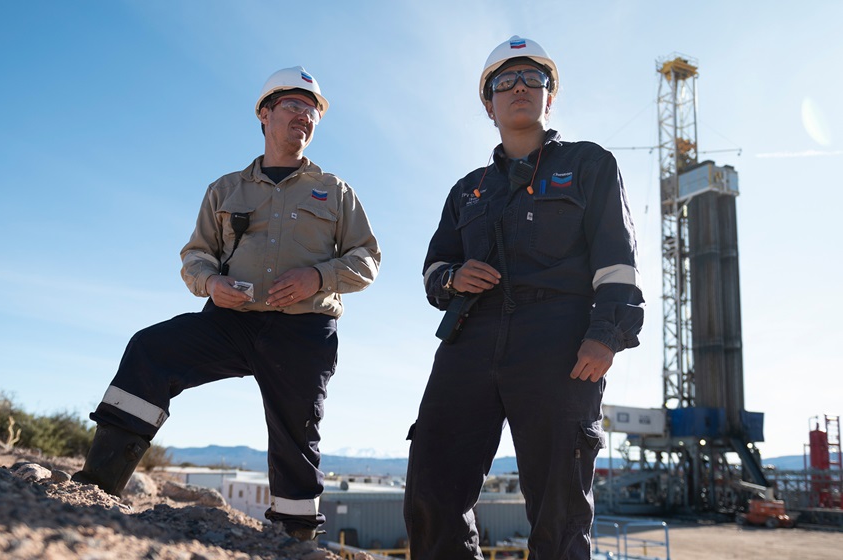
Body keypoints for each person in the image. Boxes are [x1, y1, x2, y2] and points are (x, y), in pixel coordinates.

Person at [73, 66, 381, 541]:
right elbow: (196, 256)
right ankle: (97, 487)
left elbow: (367, 259)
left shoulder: (336, 191)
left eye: (312, 109)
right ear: (264, 113)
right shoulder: (225, 189)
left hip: (304, 329)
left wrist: (318, 277)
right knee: (150, 351)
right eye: (292, 105)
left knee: (297, 437)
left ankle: (292, 540)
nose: (304, 115)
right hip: (229, 322)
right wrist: (211, 285)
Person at [403, 36, 644, 559]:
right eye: (503, 82)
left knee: (558, 506)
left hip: (559, 342)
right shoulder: (468, 190)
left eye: (532, 79)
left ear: (549, 96)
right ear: (488, 104)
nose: (518, 88)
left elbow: (618, 260)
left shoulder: (588, 165)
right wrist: (452, 278)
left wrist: (605, 335)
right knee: (432, 486)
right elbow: (431, 271)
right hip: (470, 339)